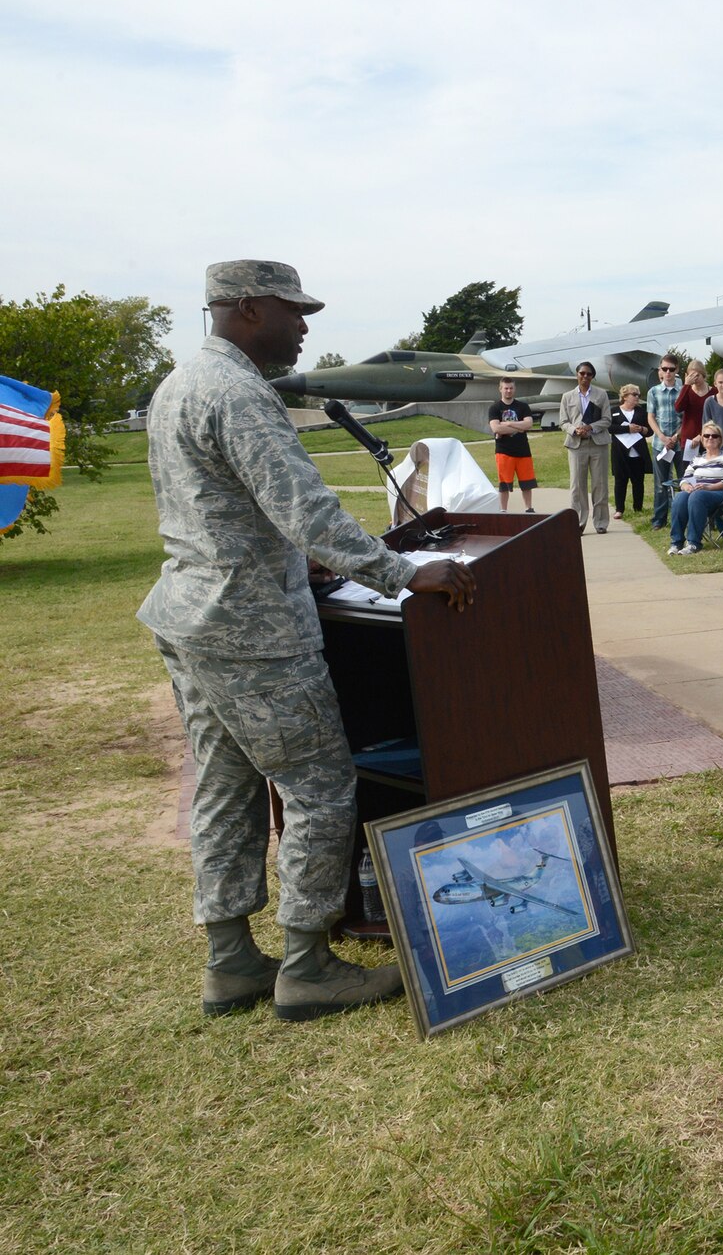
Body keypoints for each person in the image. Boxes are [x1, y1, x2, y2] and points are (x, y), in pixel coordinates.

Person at [141, 259, 474, 1021]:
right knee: (320, 786)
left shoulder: (181, 383)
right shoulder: (239, 394)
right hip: (252, 629)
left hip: (191, 615)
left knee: (226, 790)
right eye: (295, 311)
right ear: (249, 309)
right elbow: (303, 504)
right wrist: (400, 573)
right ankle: (307, 965)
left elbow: (228, 506)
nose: (304, 326)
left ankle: (230, 962)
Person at [667, 424, 723, 554]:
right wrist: (687, 487)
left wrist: (709, 487)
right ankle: (676, 543)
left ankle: (693, 543)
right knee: (680, 497)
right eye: (706, 435)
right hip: (698, 494)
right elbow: (684, 479)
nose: (710, 438)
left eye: (714, 436)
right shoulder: (696, 459)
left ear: (720, 439)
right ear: (702, 439)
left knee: (697, 496)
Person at [559, 362, 612, 534]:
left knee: (600, 484)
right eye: (582, 373)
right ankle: (579, 522)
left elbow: (607, 420)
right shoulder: (567, 396)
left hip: (598, 444)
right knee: (577, 486)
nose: (585, 376)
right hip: (576, 445)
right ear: (577, 374)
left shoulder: (601, 394)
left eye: (589, 374)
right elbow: (563, 422)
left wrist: (590, 427)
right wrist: (575, 430)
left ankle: (601, 522)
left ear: (592, 376)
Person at [488, 376, 539, 513]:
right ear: (500, 389)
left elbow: (528, 424)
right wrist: (519, 427)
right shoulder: (495, 408)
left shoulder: (523, 406)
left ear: (514, 389)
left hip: (523, 451)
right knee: (504, 484)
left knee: (527, 483)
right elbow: (496, 428)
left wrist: (509, 424)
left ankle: (529, 508)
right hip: (504, 451)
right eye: (506, 388)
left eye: (511, 388)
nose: (508, 391)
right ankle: (503, 510)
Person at [606, 383, 653, 520]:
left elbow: (649, 430)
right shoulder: (614, 411)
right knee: (620, 480)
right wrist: (627, 429)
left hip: (638, 452)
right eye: (634, 394)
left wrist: (643, 430)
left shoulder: (641, 412)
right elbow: (609, 427)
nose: (637, 397)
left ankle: (638, 507)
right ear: (625, 396)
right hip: (620, 452)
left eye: (638, 395)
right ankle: (619, 509)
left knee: (638, 481)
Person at [645, 356, 682, 526]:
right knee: (660, 484)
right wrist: (661, 436)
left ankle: (683, 516)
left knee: (684, 481)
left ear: (677, 370)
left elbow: (687, 418)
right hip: (660, 445)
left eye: (671, 369)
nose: (668, 372)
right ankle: (659, 519)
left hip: (680, 444)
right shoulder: (653, 392)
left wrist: (675, 437)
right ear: (660, 370)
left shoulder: (683, 391)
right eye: (665, 369)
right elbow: (651, 417)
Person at [674, 361, 713, 465]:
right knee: (688, 474)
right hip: (689, 440)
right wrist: (686, 385)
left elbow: (715, 417)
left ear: (703, 375)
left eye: (697, 375)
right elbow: (678, 408)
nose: (695, 379)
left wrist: (701, 435)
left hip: (709, 437)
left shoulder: (713, 392)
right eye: (692, 376)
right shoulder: (687, 391)